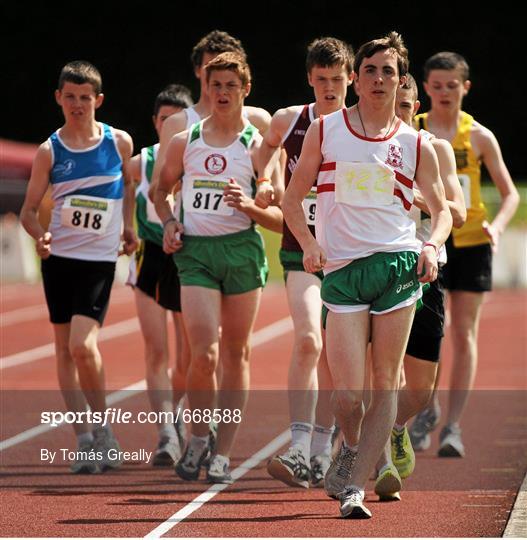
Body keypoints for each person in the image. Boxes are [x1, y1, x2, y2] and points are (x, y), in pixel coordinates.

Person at [282, 32, 452, 518]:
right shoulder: (327, 129)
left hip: (397, 265)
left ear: (401, 83)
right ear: (355, 78)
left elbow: (440, 211)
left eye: (389, 72)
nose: (379, 79)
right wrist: (311, 244)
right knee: (348, 394)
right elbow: (293, 201)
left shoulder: (416, 142)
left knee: (385, 384)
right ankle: (351, 446)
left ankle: (355, 487)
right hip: (342, 270)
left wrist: (433, 245)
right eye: (371, 70)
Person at [154, 52, 283, 484]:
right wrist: (171, 222)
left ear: (245, 91)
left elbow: (275, 198)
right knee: (204, 352)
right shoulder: (185, 140)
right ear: (205, 89)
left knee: (235, 353)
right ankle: (197, 435)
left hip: (242, 252)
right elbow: (160, 190)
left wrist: (255, 199)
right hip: (196, 255)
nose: (223, 93)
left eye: (231, 85)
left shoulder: (257, 143)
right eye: (216, 85)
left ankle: (223, 451)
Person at [20, 60, 138, 474]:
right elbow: (29, 211)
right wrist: (39, 236)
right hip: (59, 261)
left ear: (98, 100)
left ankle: (104, 430)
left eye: (84, 97)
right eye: (69, 96)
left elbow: (128, 189)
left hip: (99, 262)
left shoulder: (119, 142)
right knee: (64, 351)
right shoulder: (49, 151)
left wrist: (128, 228)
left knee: (81, 346)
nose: (77, 104)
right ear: (58, 98)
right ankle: (84, 438)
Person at [257, 37, 354, 489]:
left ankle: (322, 447)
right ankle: (298, 445)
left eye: (337, 79)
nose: (330, 88)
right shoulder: (290, 120)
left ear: (351, 78)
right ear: (310, 79)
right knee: (308, 340)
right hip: (301, 248)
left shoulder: (365, 126)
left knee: (341, 359)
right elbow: (264, 154)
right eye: (322, 80)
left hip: (352, 253)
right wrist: (264, 180)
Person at [411, 52, 519, 457]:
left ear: (465, 87)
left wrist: (498, 226)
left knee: (463, 333)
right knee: (428, 332)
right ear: (425, 87)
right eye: (436, 85)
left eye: (451, 86)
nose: (443, 93)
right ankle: (426, 407)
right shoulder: (413, 128)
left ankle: (453, 426)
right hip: (430, 239)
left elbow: (508, 194)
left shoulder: (478, 136)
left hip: (471, 242)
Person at [372, 74, 467, 500]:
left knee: (421, 389)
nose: (401, 114)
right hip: (380, 270)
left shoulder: (434, 148)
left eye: (407, 108)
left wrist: (416, 197)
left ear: (417, 109)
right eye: (396, 107)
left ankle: (393, 428)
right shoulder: (370, 148)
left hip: (426, 271)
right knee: (383, 375)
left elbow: (459, 214)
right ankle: (379, 462)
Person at [127, 84, 193, 466]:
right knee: (156, 350)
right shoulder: (139, 162)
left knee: (187, 356)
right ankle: (166, 432)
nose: (169, 126)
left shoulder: (194, 156)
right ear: (155, 122)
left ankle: (181, 411)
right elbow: (121, 192)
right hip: (150, 254)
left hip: (185, 256)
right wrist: (126, 228)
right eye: (163, 120)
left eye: (176, 121)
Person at [149, 30, 272, 200]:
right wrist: (198, 178)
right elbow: (156, 190)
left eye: (228, 66)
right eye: (212, 65)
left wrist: (262, 187)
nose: (220, 71)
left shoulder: (259, 120)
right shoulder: (177, 124)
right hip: (190, 224)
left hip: (241, 223)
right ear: (198, 70)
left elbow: (277, 189)